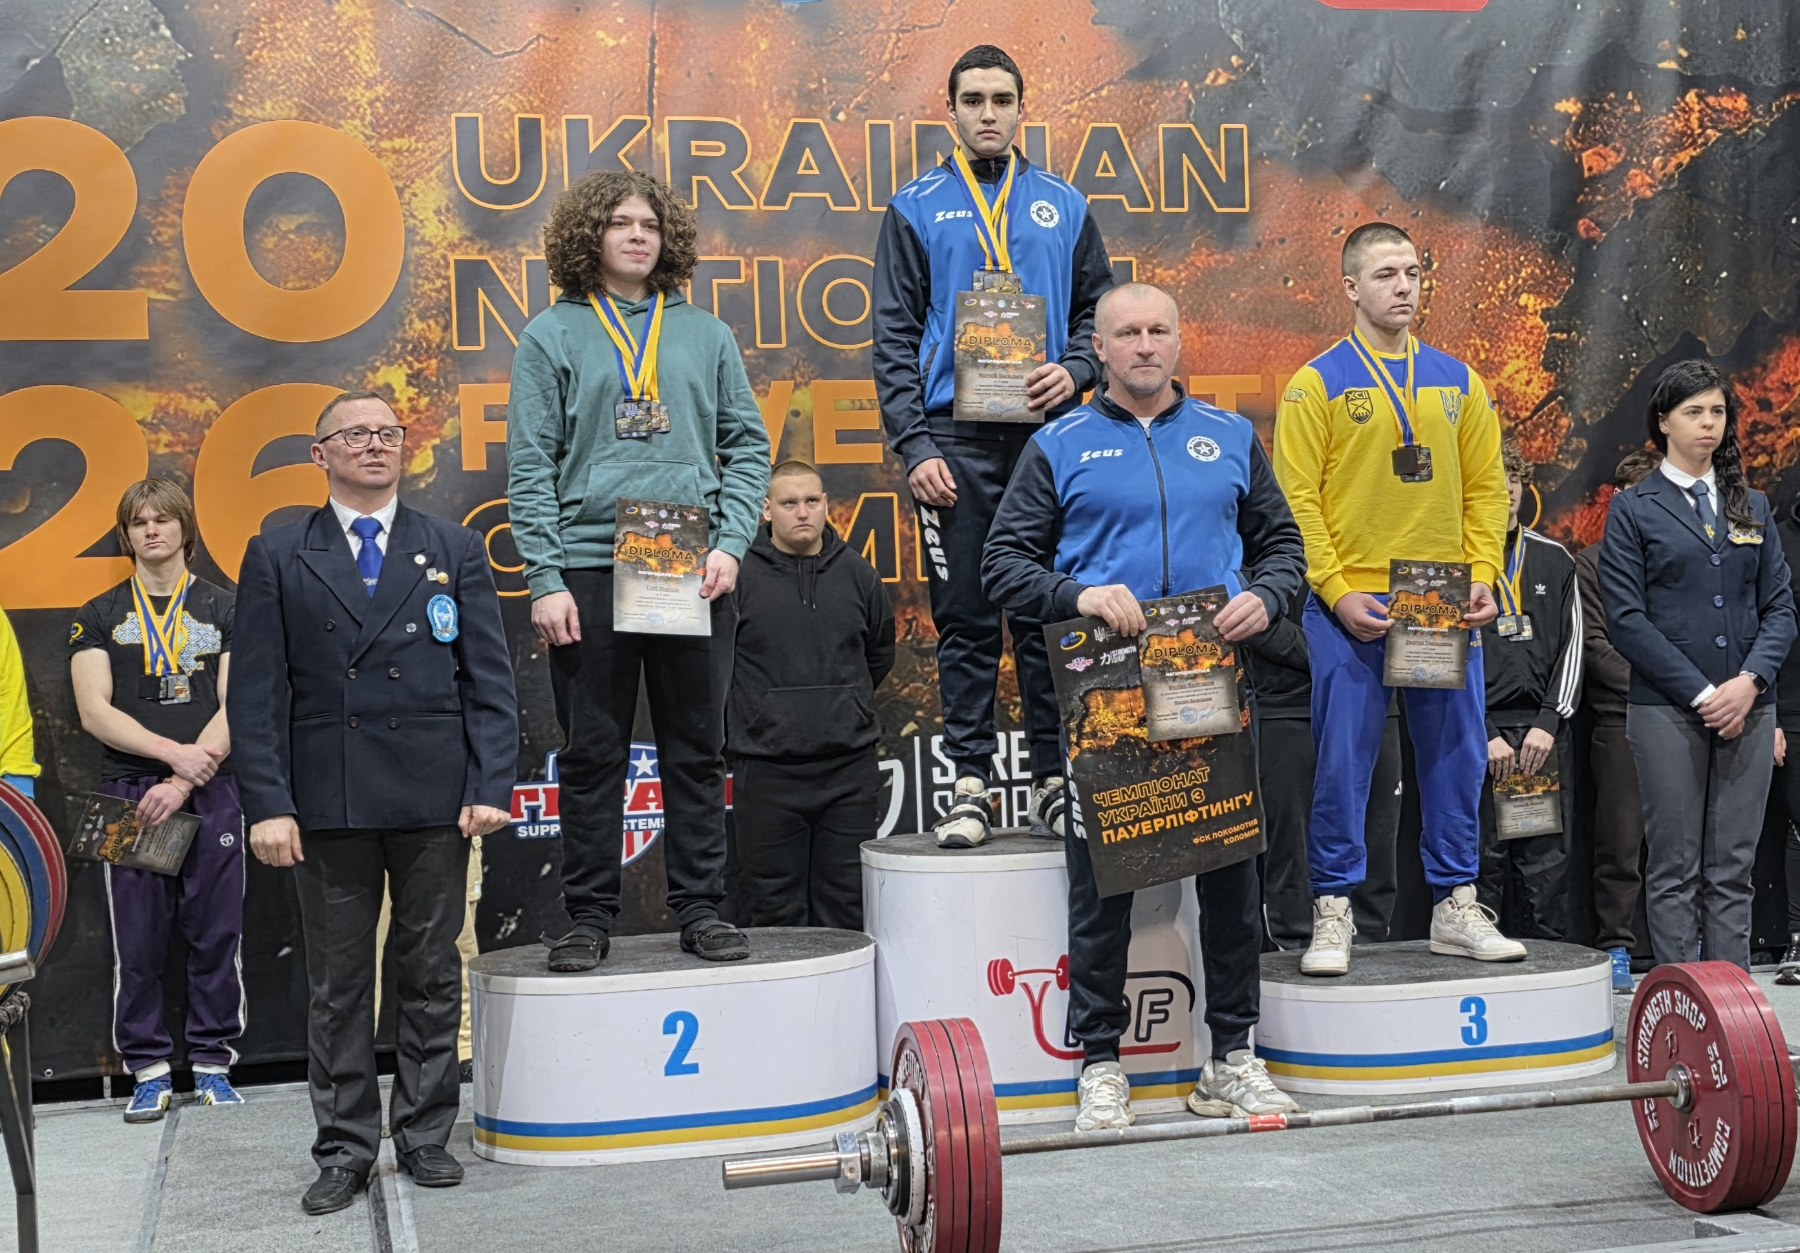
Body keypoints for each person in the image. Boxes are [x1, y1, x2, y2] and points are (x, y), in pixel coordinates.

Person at [983, 282, 1306, 1131]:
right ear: (1099, 347)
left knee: (1231, 881)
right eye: (1127, 332)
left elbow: (1283, 545)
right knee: (1104, 890)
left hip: (1211, 680)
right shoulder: (1058, 443)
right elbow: (1002, 564)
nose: (1145, 345)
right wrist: (1079, 594)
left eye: (1160, 329)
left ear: (1179, 341)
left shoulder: (1229, 436)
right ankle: (1100, 1063)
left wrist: (1268, 596)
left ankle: (1231, 1056)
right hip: (1110, 695)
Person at [231, 390, 517, 1214]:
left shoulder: (453, 547)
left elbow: (489, 681)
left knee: (431, 972)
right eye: (354, 434)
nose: (374, 445)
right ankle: (345, 1148)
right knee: (340, 984)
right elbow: (257, 694)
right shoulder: (279, 552)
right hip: (329, 798)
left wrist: (489, 784)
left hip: (434, 795)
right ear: (319, 453)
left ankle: (425, 1134)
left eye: (387, 432)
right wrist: (268, 803)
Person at [509, 169, 769, 971]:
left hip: (691, 561)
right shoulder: (552, 334)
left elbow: (749, 446)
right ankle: (588, 917)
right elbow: (530, 464)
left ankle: (702, 908)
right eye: (620, 222)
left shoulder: (706, 334)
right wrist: (545, 577)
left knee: (697, 748)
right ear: (590, 235)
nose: (636, 236)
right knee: (594, 753)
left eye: (649, 225)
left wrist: (731, 542)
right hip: (589, 565)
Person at [874, 43, 1113, 848]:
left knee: (1049, 616)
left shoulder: (1064, 204)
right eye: (972, 99)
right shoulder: (915, 207)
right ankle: (969, 786)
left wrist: (1076, 368)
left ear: (1021, 109)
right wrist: (915, 446)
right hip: (954, 440)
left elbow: (1098, 313)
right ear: (949, 110)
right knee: (968, 620)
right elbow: (894, 334)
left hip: (1049, 438)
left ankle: (1051, 782)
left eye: (1001, 99)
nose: (987, 113)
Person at [1273, 220, 1524, 975]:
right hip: (1351, 604)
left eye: (1413, 272)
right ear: (1351, 286)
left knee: (1454, 757)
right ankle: (1333, 909)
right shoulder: (1316, 383)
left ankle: (1456, 902)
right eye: (1386, 274)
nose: (1404, 287)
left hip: (1440, 598)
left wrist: (1484, 573)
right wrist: (1336, 590)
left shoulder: (1460, 381)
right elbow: (1297, 503)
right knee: (1344, 764)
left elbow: (1487, 491)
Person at [1598, 359, 1796, 971]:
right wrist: (1705, 694)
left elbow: (1780, 607)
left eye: (1717, 411)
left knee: (1733, 868)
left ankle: (1731, 1000)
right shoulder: (1634, 508)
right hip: (1667, 710)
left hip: (1750, 708)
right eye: (1694, 412)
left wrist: (1750, 683)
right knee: (1675, 867)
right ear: (1664, 422)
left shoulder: (1751, 505)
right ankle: (1683, 999)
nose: (1709, 423)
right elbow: (1626, 620)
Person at [68, 479, 241, 1123]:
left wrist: (186, 779)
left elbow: (239, 705)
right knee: (137, 941)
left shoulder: (226, 608)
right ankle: (147, 1070)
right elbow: (93, 712)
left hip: (211, 788)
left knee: (216, 933)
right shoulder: (98, 613)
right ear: (126, 535)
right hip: (130, 794)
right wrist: (172, 759)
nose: (151, 530)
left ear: (185, 529)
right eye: (139, 522)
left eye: (163, 519)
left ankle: (214, 1065)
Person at [727, 461, 896, 930]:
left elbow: (879, 654)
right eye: (789, 503)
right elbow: (715, 666)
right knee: (771, 910)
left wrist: (843, 705)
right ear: (766, 510)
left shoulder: (860, 574)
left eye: (811, 501)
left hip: (849, 771)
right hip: (765, 768)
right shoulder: (738, 575)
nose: (802, 512)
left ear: (825, 504)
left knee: (847, 905)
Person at [1246, 591, 1406, 949]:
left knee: (1376, 840)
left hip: (1374, 693)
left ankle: (1371, 949)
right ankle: (1297, 948)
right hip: (1288, 707)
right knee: (1293, 850)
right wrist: (1330, 652)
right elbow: (1248, 607)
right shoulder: (1269, 551)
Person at [1475, 441, 1583, 940]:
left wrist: (1548, 721)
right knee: (1481, 861)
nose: (1506, 491)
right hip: (1480, 735)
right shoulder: (1452, 561)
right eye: (1494, 481)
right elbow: (1436, 657)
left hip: (1542, 733)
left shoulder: (1554, 558)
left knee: (1546, 867)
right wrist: (1480, 730)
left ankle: (1549, 968)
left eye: (1514, 481)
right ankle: (1481, 966)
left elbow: (1574, 645)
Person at [1576, 448, 1661, 991]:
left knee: (1681, 845)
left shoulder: (1683, 559)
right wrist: (1671, 684)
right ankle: (1616, 947)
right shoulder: (1592, 563)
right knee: (1620, 842)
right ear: (1616, 500)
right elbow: (1594, 647)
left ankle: (1685, 943)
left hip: (1683, 717)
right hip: (1620, 719)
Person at [1773, 482, 1800, 983]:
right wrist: (1769, 715)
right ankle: (1797, 940)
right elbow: (1759, 628)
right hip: (1791, 707)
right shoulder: (1776, 539)